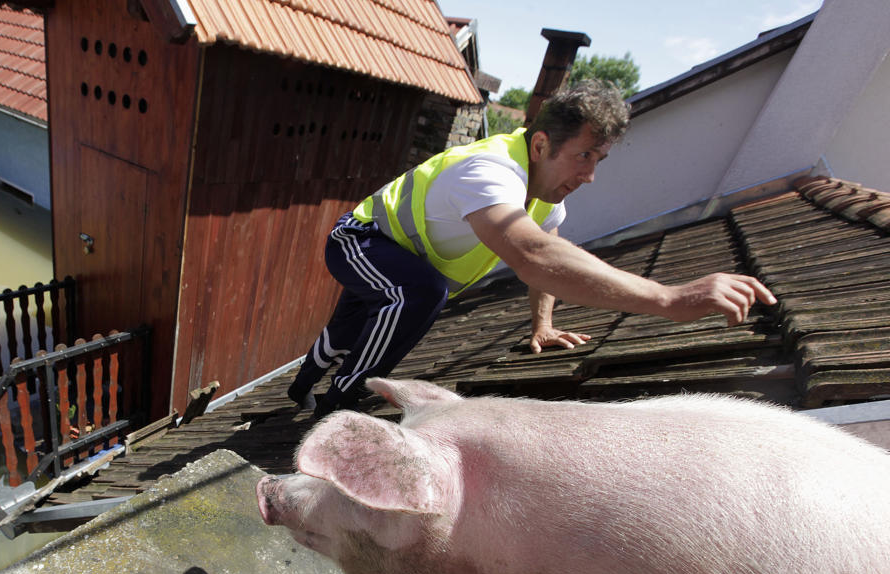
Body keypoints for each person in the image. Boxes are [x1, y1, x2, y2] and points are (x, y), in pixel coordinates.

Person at [287, 80, 777, 416]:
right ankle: (340, 402)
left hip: (397, 262)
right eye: (584, 156)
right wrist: (669, 300)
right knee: (416, 294)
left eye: (599, 159)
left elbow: (549, 249)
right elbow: (534, 258)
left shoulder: (544, 199)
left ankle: (299, 386)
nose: (589, 175)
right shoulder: (488, 171)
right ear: (540, 146)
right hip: (359, 239)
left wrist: (543, 322)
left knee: (349, 325)